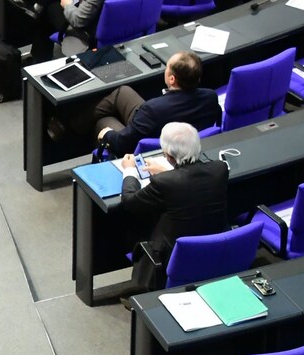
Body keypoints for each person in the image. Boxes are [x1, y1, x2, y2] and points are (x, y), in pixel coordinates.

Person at [119, 122, 228, 292]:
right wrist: (168, 173)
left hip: (172, 254)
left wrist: (130, 171)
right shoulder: (220, 169)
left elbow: (130, 201)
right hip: (214, 247)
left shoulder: (164, 183)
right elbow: (189, 183)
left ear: (168, 155)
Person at [59, 50, 221, 157]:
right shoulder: (210, 97)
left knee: (103, 122)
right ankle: (74, 124)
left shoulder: (152, 109)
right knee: (123, 91)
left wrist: (107, 134)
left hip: (151, 150)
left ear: (172, 79)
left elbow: (123, 143)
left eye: (167, 68)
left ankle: (70, 134)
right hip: (171, 131)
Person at [30, 0, 105, 63]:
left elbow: (78, 21)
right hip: (94, 15)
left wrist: (67, 5)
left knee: (46, 12)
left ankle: (39, 61)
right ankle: (39, 59)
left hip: (86, 31)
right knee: (47, 8)